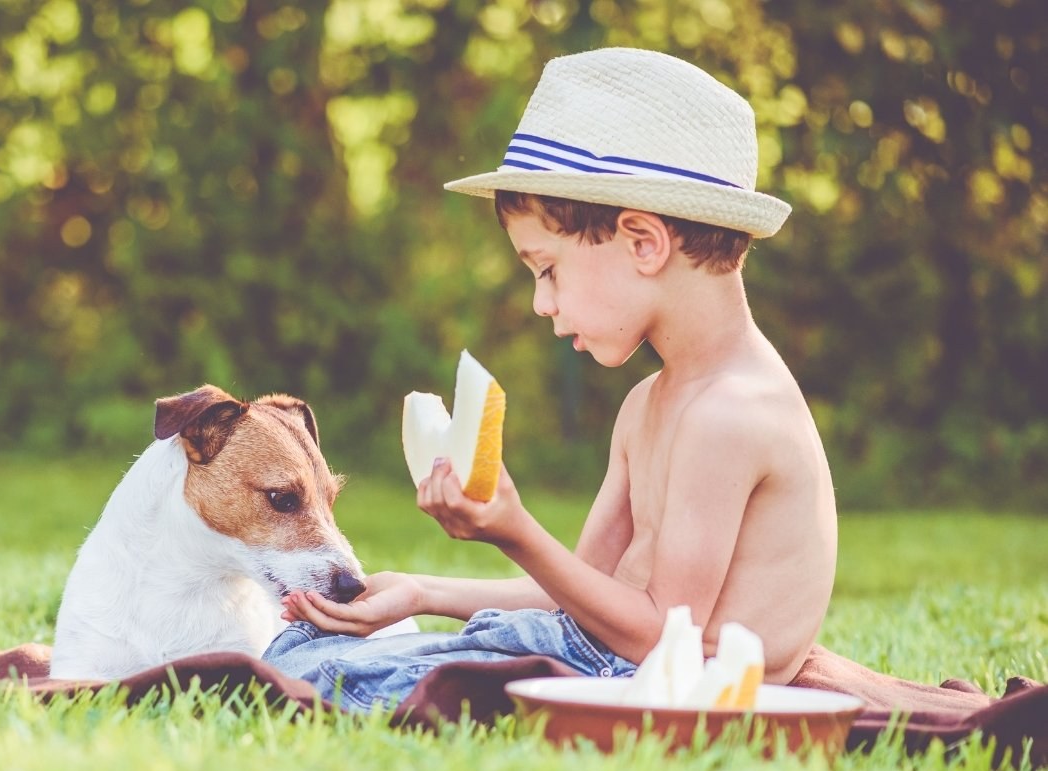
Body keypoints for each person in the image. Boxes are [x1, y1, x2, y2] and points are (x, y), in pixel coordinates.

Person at [263, 47, 838, 712]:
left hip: (657, 685)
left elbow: (662, 640)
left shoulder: (729, 414)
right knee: (305, 652)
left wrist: (516, 530)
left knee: (336, 679)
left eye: (548, 269)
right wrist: (420, 593)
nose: (542, 303)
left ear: (644, 243)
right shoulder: (650, 401)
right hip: (591, 651)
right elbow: (581, 590)